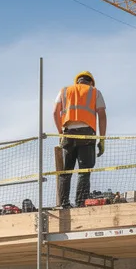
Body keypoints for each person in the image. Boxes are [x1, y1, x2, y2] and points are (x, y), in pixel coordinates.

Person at [53, 71, 107, 208]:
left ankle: (64, 203)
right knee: (84, 171)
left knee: (66, 172)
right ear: (91, 82)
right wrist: (102, 139)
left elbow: (55, 112)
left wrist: (61, 133)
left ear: (77, 81)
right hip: (87, 134)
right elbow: (102, 116)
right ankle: (80, 202)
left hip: (68, 134)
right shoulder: (95, 92)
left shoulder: (65, 91)